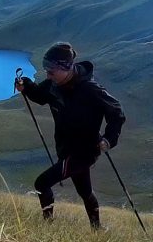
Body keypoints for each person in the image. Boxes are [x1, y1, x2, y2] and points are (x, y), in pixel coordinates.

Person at [15, 42, 125, 230]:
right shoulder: (54, 85)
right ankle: (97, 230)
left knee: (41, 183)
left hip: (84, 151)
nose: (47, 75)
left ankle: (47, 228)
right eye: (46, 70)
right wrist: (26, 86)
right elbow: (41, 96)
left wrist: (109, 139)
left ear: (66, 68)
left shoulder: (90, 89)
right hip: (66, 149)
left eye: (51, 71)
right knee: (85, 191)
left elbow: (116, 112)